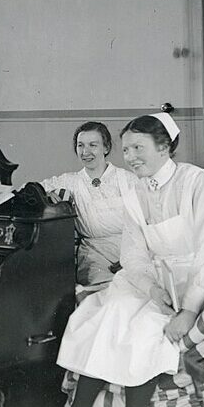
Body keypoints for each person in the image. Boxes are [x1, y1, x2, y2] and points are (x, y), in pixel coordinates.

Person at [56, 109, 204, 407]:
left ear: (164, 147)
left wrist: (188, 310)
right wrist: (151, 288)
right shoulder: (134, 191)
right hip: (157, 274)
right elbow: (132, 255)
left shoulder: (198, 182)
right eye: (126, 149)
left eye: (137, 148)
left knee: (146, 327)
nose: (129, 157)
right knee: (108, 310)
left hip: (203, 270)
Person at [40, 121, 138, 287]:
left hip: (131, 251)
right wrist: (46, 195)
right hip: (94, 255)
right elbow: (27, 191)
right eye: (80, 145)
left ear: (106, 148)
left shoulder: (128, 180)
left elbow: (147, 223)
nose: (86, 152)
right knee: (105, 292)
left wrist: (131, 259)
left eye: (93, 145)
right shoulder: (70, 181)